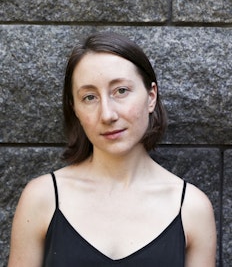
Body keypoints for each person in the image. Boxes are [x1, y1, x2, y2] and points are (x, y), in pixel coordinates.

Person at [8, 32, 216, 267]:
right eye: (89, 97)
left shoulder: (191, 208)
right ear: (75, 108)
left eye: (121, 91)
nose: (107, 114)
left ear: (151, 96)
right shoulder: (41, 198)